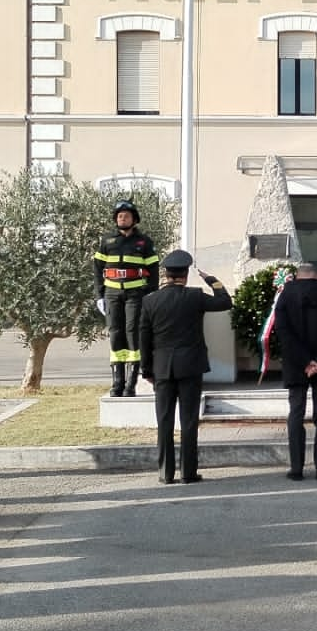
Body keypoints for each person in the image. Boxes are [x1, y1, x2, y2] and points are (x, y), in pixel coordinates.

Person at [138, 250, 232, 483]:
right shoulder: (194, 296)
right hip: (190, 366)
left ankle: (165, 473)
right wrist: (212, 280)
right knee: (188, 421)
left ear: (166, 274)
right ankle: (188, 473)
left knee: (164, 420)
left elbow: (143, 339)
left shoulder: (150, 301)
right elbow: (225, 302)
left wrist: (147, 370)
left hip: (162, 368)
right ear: (185, 275)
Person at [272, 261, 317, 481]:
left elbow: (282, 331)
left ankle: (296, 468)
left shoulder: (286, 295)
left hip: (296, 364)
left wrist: (304, 361)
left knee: (296, 413)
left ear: (299, 276)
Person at [94, 200, 160, 398]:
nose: (123, 218)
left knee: (133, 333)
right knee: (115, 334)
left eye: (127, 216)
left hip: (135, 295)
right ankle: (117, 383)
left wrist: (150, 293)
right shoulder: (107, 241)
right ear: (116, 219)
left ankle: (131, 384)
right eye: (120, 216)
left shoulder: (144, 242)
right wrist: (99, 295)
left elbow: (153, 270)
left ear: (134, 219)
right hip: (112, 294)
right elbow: (98, 269)